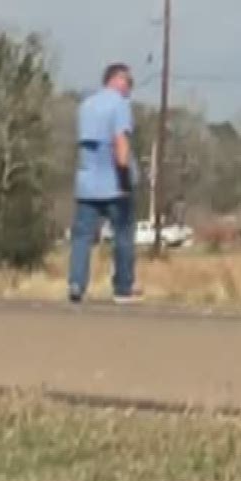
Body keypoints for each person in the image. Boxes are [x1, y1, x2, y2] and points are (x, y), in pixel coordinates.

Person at [69, 62, 140, 304]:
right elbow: (120, 141)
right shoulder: (120, 105)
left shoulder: (86, 105)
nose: (130, 89)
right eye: (129, 83)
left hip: (86, 183)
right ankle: (123, 287)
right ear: (117, 79)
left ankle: (77, 283)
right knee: (123, 236)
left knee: (82, 237)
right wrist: (125, 178)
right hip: (114, 184)